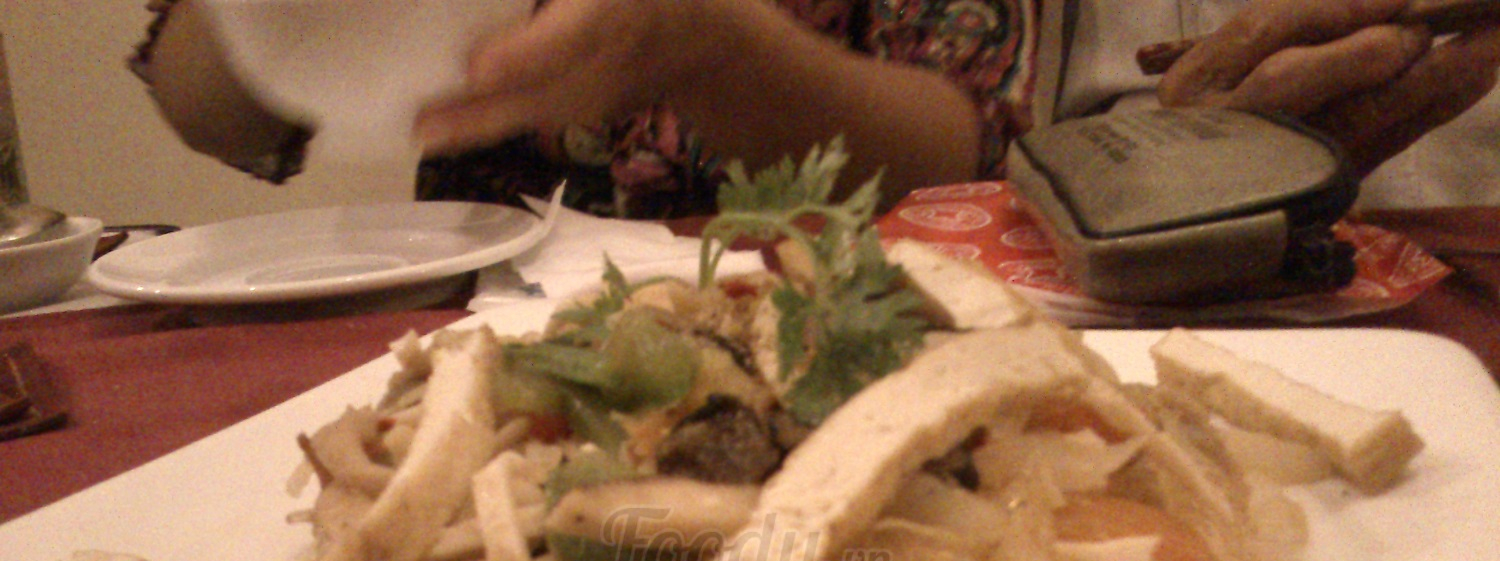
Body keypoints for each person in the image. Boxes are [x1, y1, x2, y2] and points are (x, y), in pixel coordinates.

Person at [132, 0, 1500, 217]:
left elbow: (974, 158)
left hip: (852, 315)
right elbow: (218, 112)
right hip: (478, 330)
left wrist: (707, 51)